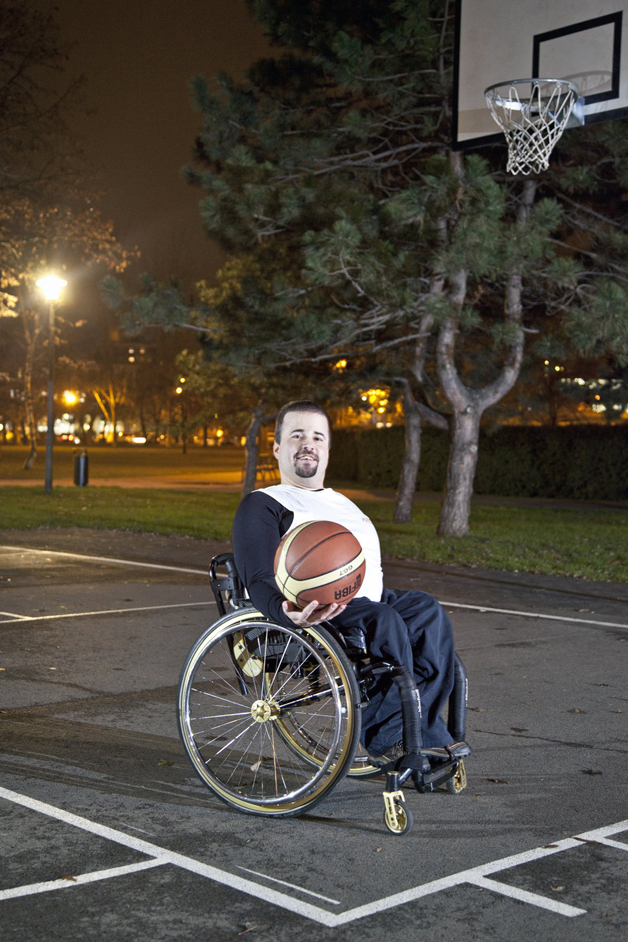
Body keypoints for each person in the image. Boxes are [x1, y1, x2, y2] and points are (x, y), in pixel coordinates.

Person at [231, 399, 468, 760]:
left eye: (317, 437)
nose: (308, 443)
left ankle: (424, 727)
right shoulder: (263, 503)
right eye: (297, 435)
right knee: (384, 621)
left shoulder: (342, 503)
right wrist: (283, 609)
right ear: (277, 448)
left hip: (366, 603)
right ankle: (387, 736)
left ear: (327, 449)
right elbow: (257, 576)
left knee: (426, 610)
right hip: (317, 610)